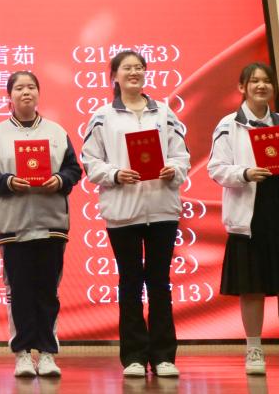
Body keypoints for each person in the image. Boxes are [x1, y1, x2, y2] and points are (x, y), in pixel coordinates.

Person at [80, 50, 189, 378]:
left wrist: (174, 169)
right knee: (129, 283)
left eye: (139, 67)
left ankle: (164, 356)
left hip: (162, 209)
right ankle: (134, 357)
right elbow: (90, 161)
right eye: (127, 68)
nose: (134, 72)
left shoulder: (164, 112)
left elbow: (182, 155)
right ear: (114, 76)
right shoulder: (102, 116)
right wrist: (115, 174)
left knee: (159, 282)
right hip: (122, 212)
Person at [208, 62, 279, 376]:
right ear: (241, 87)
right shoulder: (228, 125)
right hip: (249, 218)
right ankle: (253, 349)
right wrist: (245, 173)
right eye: (254, 81)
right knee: (251, 288)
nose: (261, 86)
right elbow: (216, 169)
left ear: (273, 88)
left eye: (266, 81)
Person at [0, 71, 82, 378]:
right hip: (13, 225)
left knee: (48, 291)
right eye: (19, 88)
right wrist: (7, 181)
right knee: (19, 291)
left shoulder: (56, 131)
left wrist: (60, 179)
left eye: (31, 87)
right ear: (9, 96)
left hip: (51, 222)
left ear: (38, 93)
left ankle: (47, 353)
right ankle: (22, 353)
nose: (26, 92)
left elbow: (74, 170)